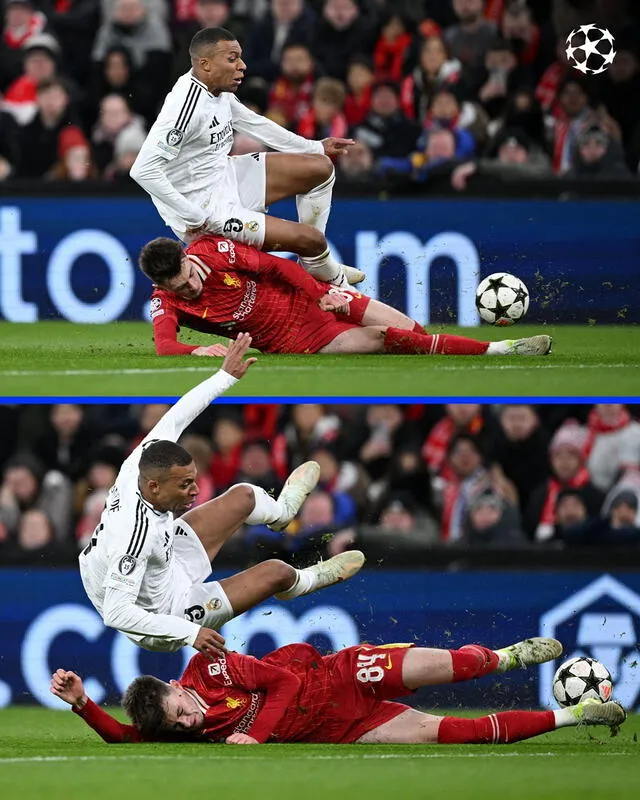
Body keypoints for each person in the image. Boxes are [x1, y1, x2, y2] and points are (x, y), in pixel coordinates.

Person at [78, 333, 365, 658]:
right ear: (155, 487)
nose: (196, 490)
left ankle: (283, 513)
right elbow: (116, 614)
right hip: (165, 615)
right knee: (276, 572)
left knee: (244, 495)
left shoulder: (141, 463)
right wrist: (190, 633)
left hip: (164, 565)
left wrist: (225, 376)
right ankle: (307, 580)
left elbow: (177, 416)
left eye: (193, 479)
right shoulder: (134, 537)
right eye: (184, 485)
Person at [50, 636, 626, 745]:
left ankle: (503, 657)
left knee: (455, 669)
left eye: (181, 710)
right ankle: (578, 716)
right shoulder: (176, 729)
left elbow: (277, 682)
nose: (189, 723)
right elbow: (123, 736)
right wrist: (81, 705)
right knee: (458, 734)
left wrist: (258, 738)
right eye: (177, 727)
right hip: (346, 727)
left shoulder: (213, 667)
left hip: (342, 675)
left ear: (179, 685)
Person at [130, 25, 361, 289]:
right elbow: (143, 170)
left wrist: (315, 146)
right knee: (312, 242)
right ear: (205, 64)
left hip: (226, 175)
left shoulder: (217, 91)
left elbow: (254, 123)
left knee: (320, 167)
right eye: (232, 59)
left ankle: (314, 266)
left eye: (239, 57)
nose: (242, 66)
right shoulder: (186, 107)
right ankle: (337, 285)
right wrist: (192, 216)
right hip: (206, 208)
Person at [140, 234, 553, 358]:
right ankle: (501, 349)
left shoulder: (214, 250)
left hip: (311, 298)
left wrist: (321, 292)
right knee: (384, 339)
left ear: (186, 258)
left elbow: (277, 266)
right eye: (179, 288)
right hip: (295, 340)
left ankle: (458, 355)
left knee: (412, 332)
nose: (190, 287)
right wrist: (196, 353)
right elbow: (164, 345)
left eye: (188, 277)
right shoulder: (167, 299)